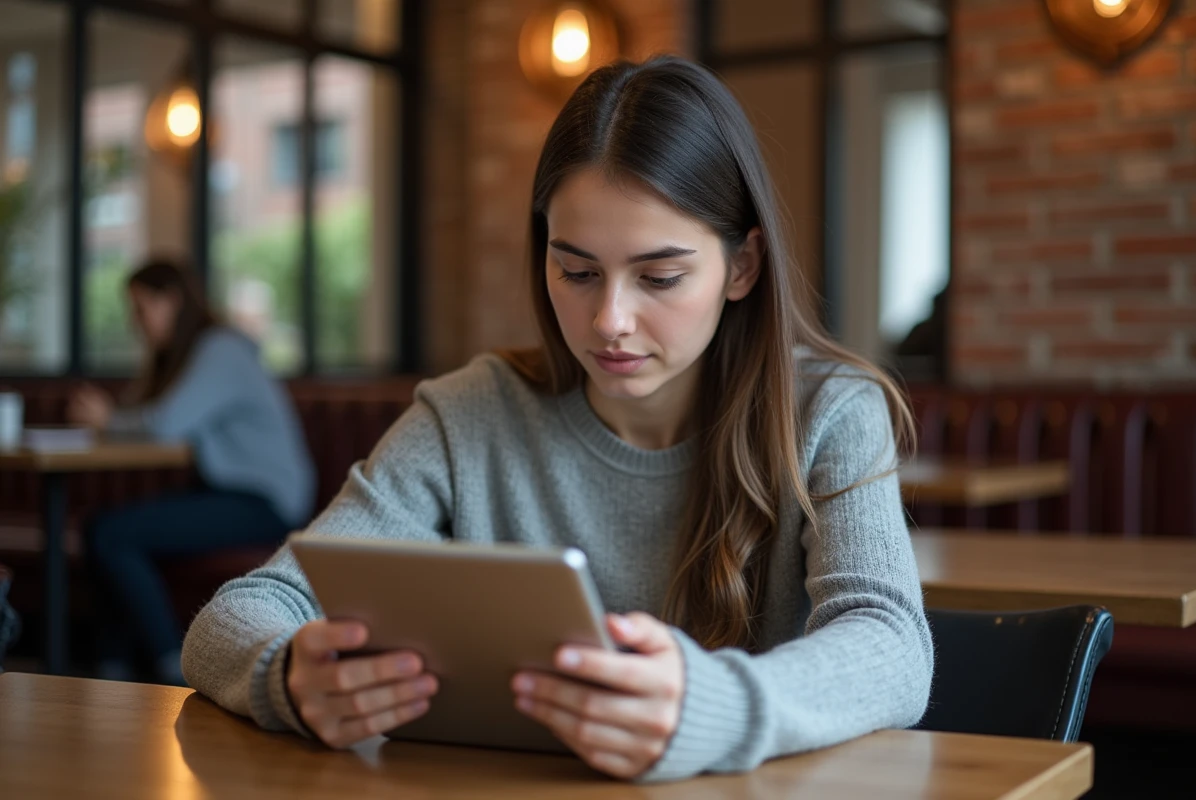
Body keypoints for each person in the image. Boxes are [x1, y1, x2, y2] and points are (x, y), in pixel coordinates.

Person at [182, 56, 932, 782]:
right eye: (575, 271)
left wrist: (714, 707)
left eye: (660, 276)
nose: (609, 320)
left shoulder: (830, 411)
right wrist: (287, 677)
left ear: (742, 267)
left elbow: (892, 646)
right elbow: (241, 613)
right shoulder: (470, 414)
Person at [69, 258, 315, 686]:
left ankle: (170, 663)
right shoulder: (185, 355)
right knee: (103, 528)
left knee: (110, 532)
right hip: (226, 495)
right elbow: (144, 413)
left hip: (263, 502)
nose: (136, 322)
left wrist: (108, 420)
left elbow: (163, 423)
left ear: (173, 301)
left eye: (142, 308)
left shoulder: (220, 348)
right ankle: (111, 667)